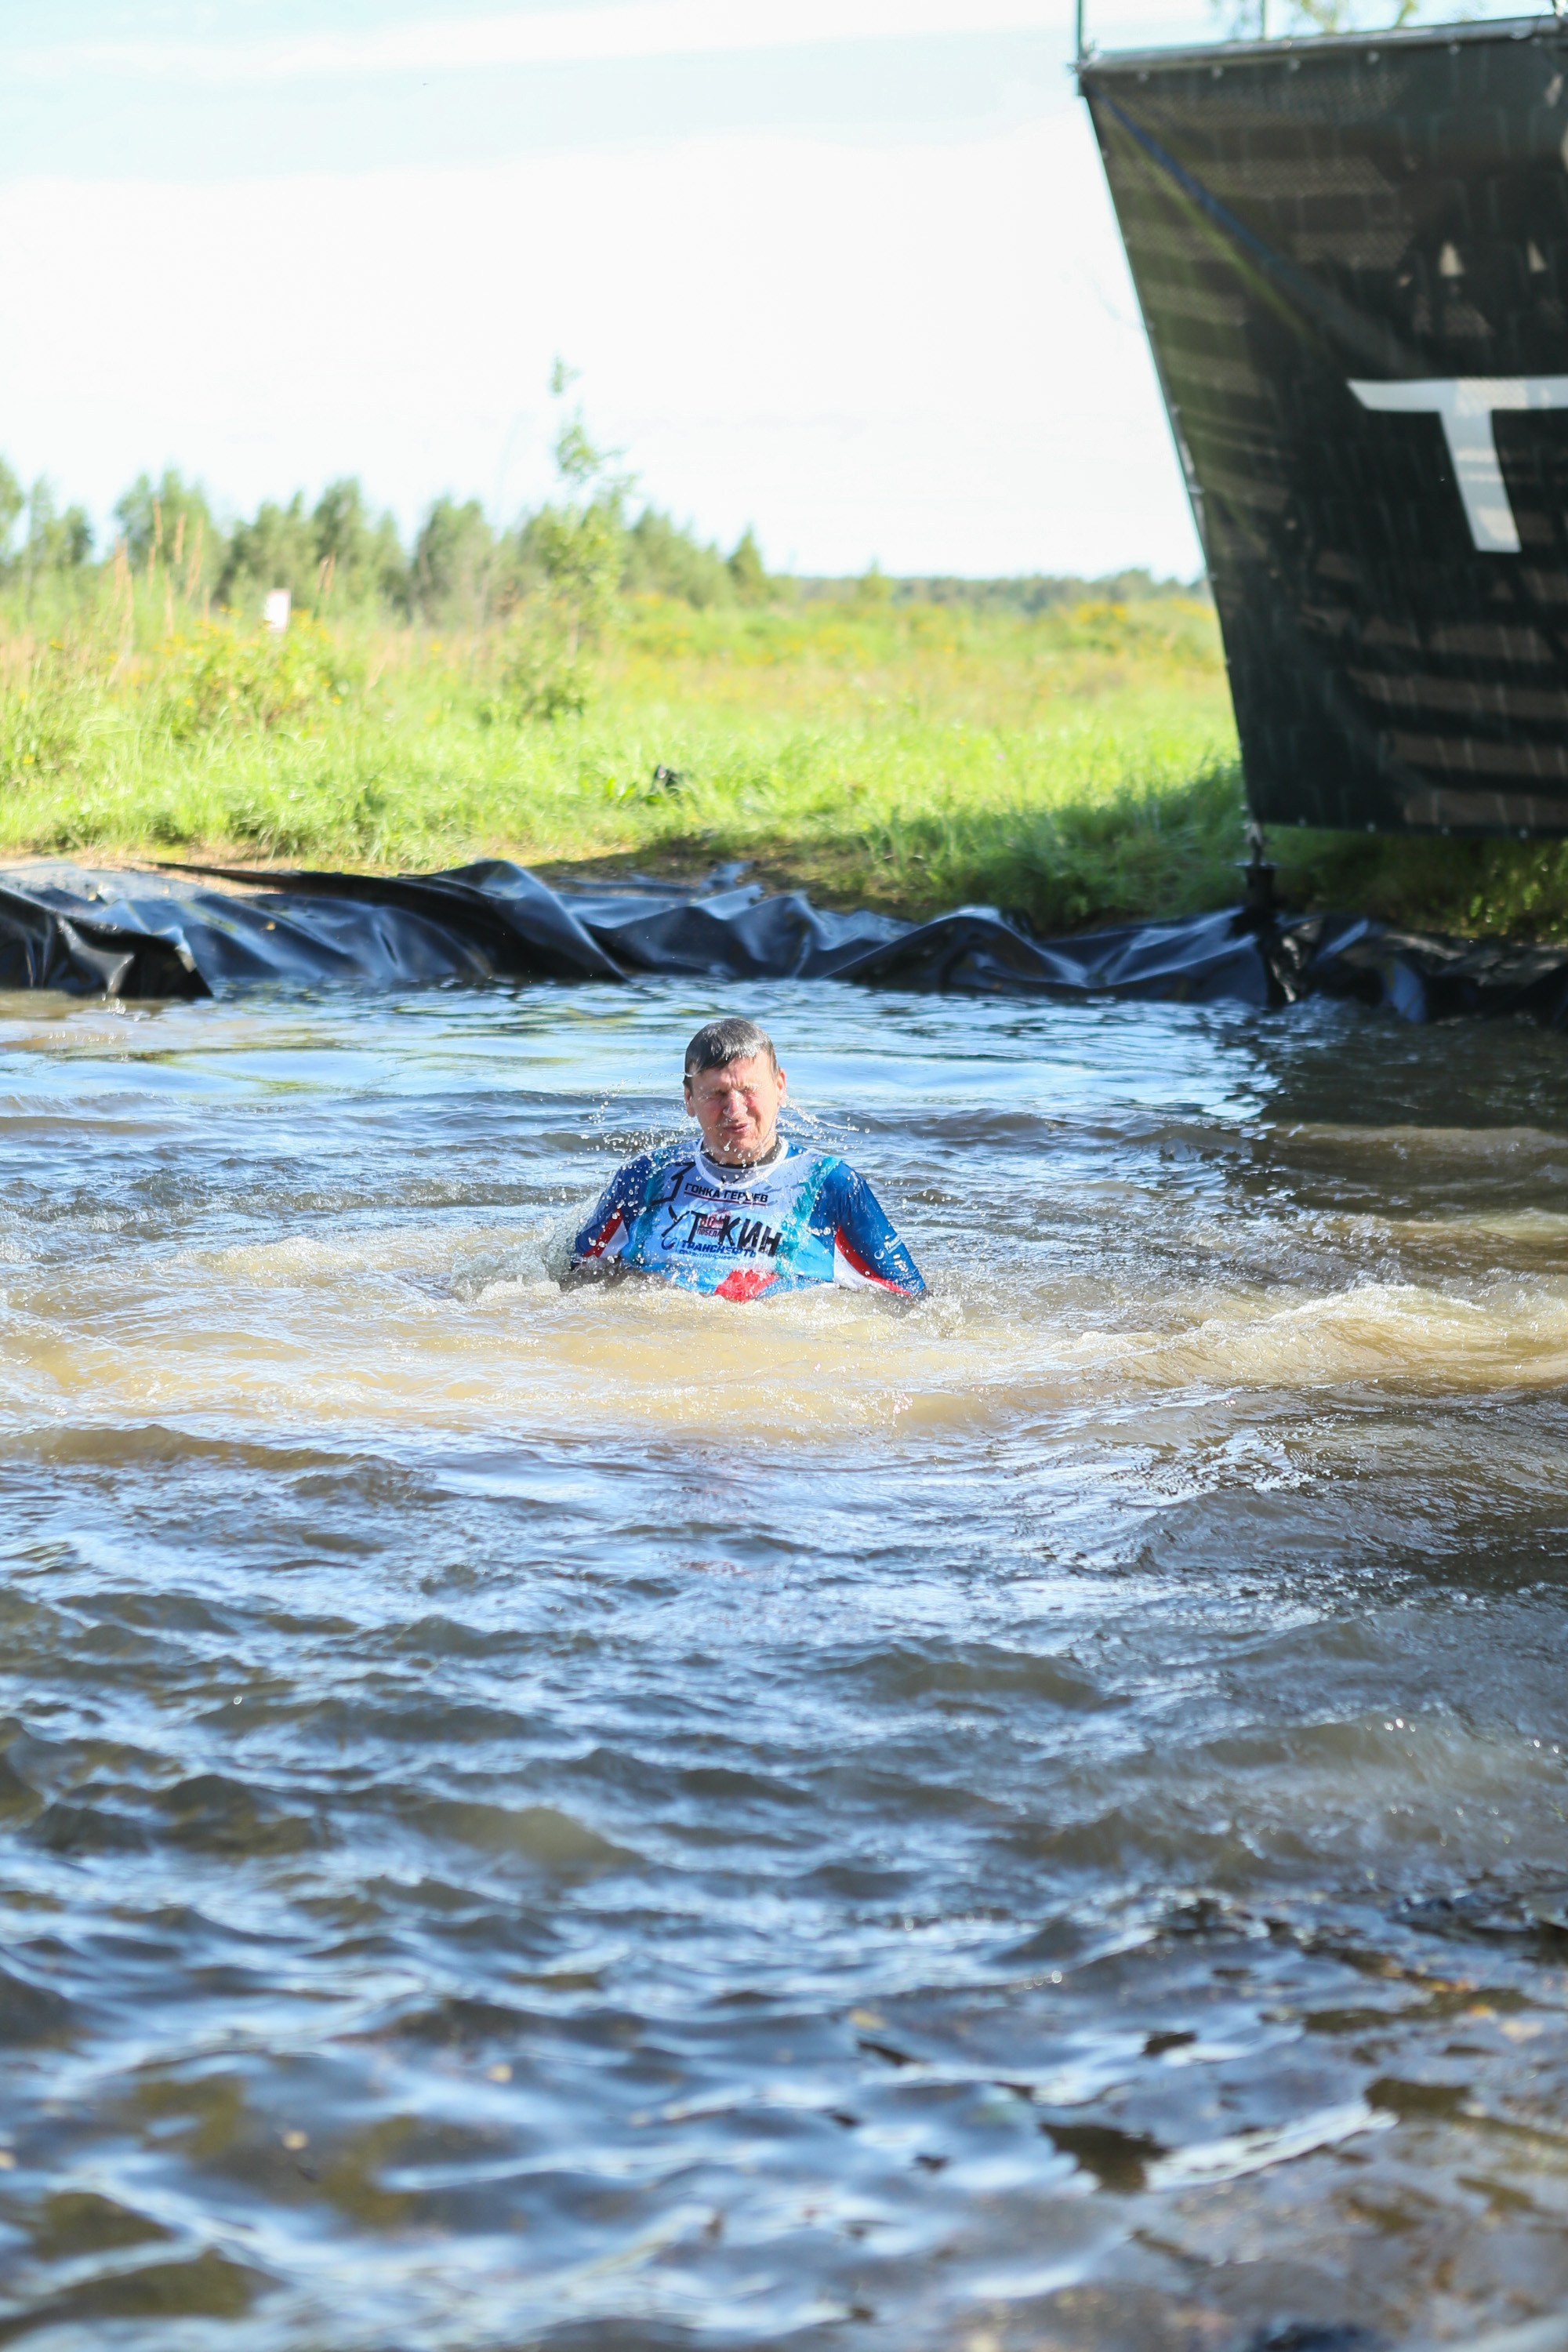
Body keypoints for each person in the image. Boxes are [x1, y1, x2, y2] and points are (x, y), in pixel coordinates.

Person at [568, 1016, 925, 1302]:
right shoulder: (645, 1177)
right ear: (689, 1099)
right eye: (717, 1093)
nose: (734, 1110)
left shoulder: (831, 1185)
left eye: (749, 1090)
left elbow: (911, 1302)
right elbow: (574, 1282)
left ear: (781, 1086)